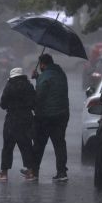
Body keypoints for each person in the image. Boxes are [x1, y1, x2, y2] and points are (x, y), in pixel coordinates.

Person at [30, 53, 70, 182]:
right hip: (62, 115)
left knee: (39, 144)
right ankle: (62, 172)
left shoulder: (45, 76)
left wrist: (37, 80)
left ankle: (34, 171)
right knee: (59, 144)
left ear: (42, 64)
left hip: (46, 117)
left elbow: (39, 96)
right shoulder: (61, 74)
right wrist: (38, 78)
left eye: (40, 65)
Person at [0, 68, 37, 181]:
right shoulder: (29, 86)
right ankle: (31, 172)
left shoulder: (9, 86)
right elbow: (34, 103)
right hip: (26, 120)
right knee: (26, 146)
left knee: (8, 147)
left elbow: (2, 104)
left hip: (12, 120)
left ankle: (4, 174)